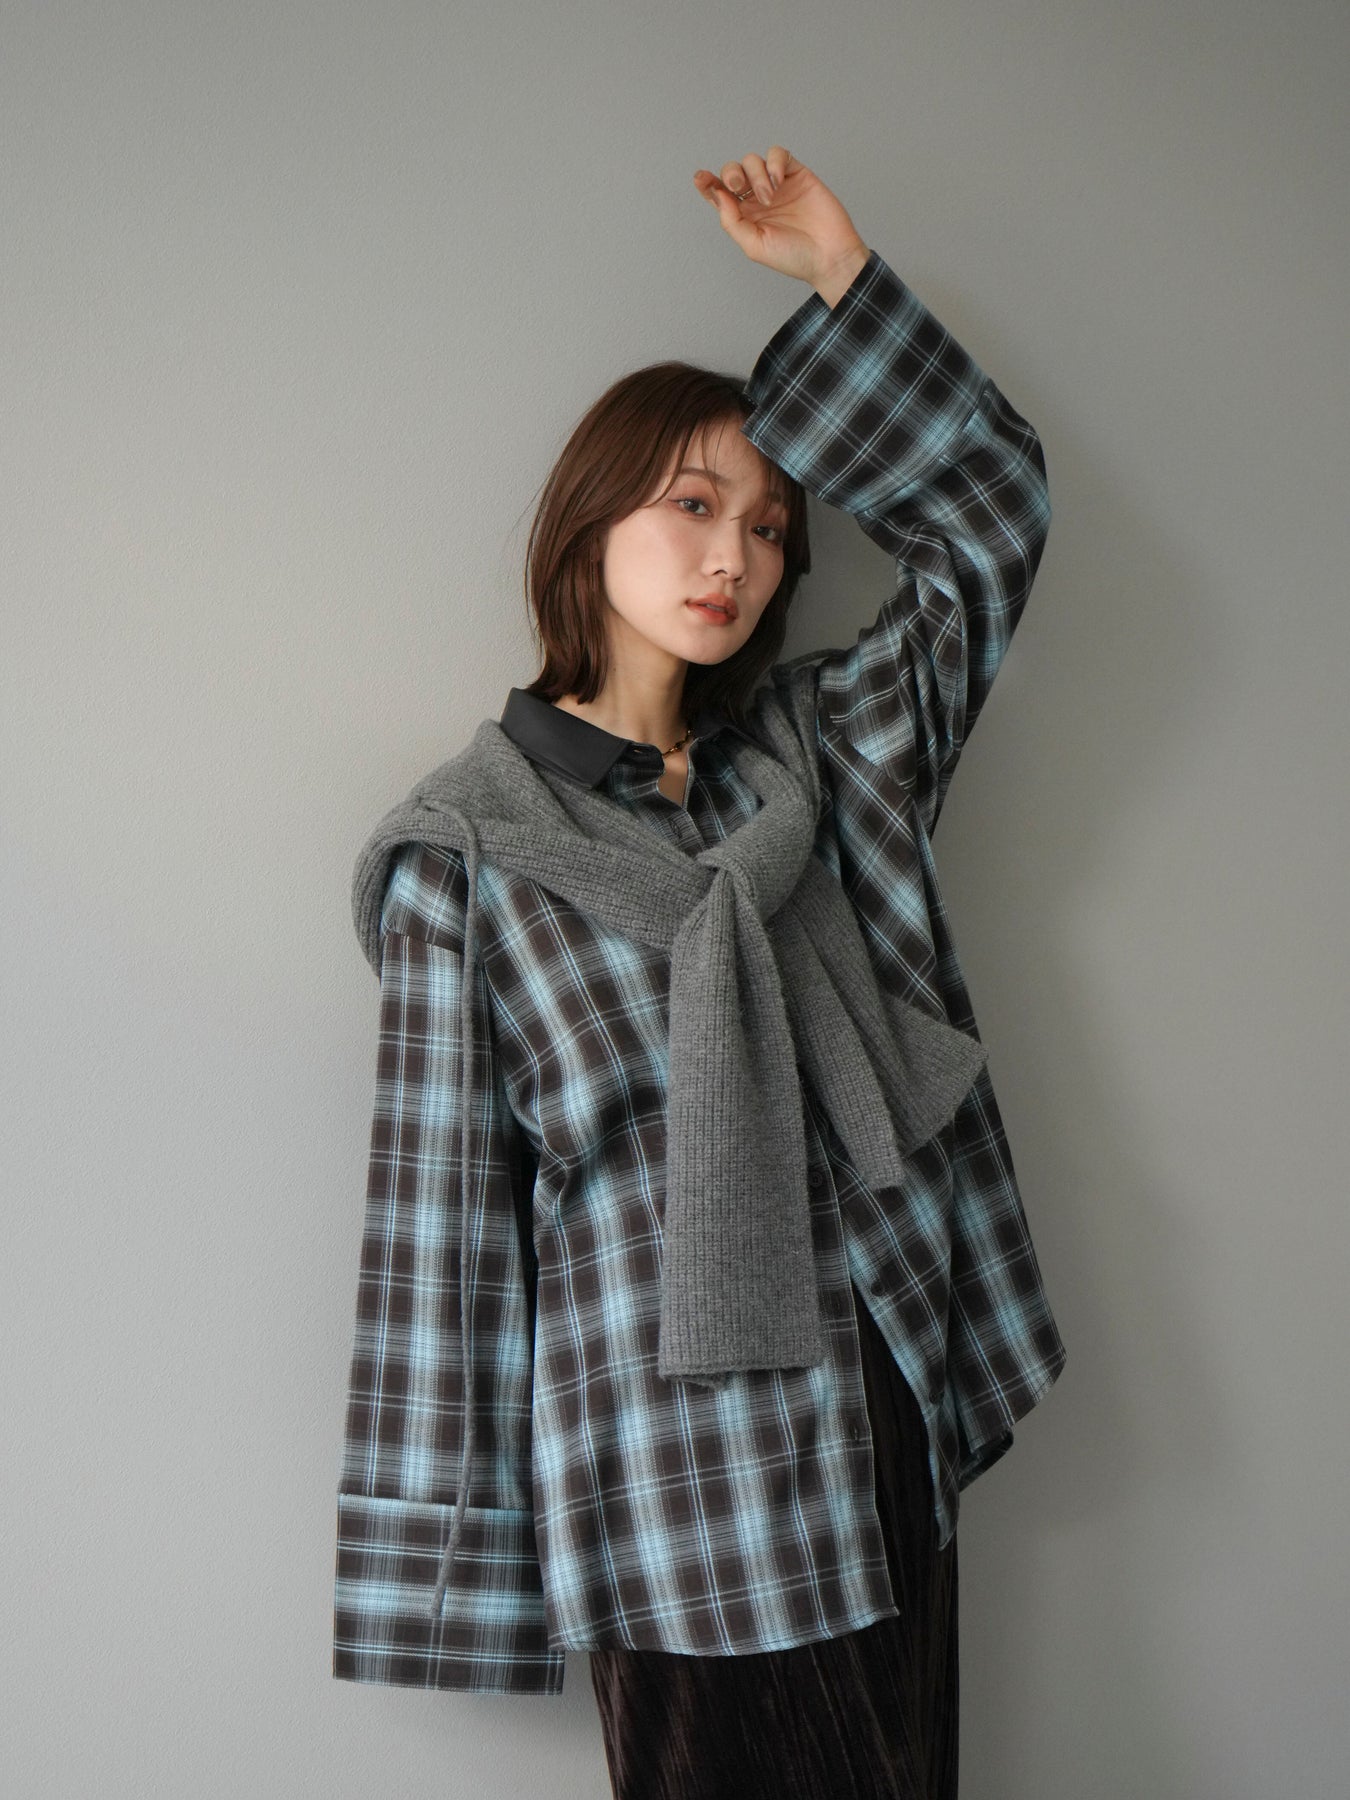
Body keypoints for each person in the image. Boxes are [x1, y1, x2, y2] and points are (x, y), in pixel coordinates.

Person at [332, 146, 1067, 1800]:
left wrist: (839, 280)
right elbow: (444, 1242)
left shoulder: (821, 759)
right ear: (588, 518)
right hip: (678, 1494)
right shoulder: (464, 854)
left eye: (767, 525)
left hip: (884, 1415)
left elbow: (991, 536)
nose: (731, 550)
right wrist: (450, 1578)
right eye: (690, 503)